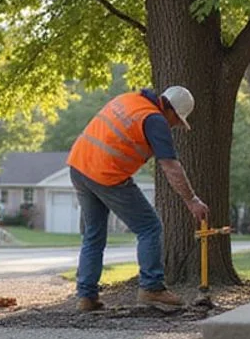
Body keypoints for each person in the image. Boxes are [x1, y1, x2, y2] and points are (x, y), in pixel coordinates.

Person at [66, 85, 210, 311]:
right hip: (106, 173)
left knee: (93, 235)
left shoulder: (130, 100)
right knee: (149, 227)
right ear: (171, 110)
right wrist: (191, 200)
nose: (174, 126)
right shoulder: (155, 120)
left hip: (79, 166)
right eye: (177, 120)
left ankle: (86, 296)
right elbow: (170, 166)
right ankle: (152, 288)